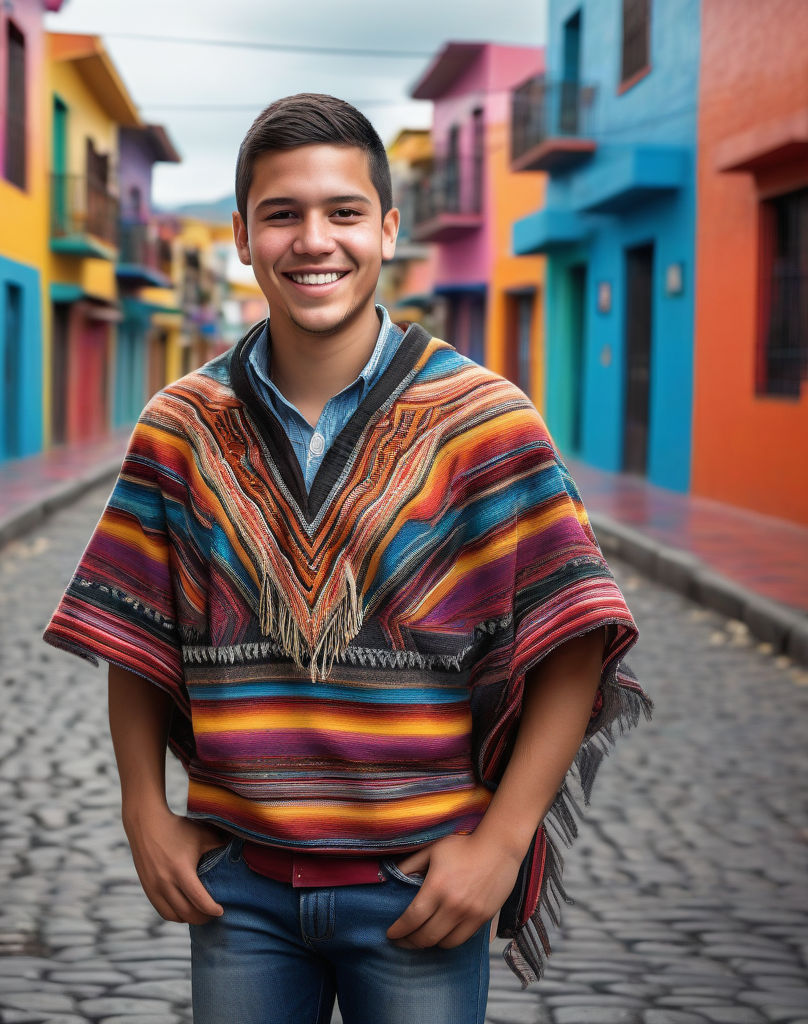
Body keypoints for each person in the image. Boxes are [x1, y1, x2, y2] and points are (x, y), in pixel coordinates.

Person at [43, 93, 650, 1024]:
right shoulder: (181, 426)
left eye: (343, 212)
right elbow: (139, 627)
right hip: (238, 888)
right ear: (242, 236)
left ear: (388, 230)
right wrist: (142, 808)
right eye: (282, 214)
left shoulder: (483, 421)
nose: (313, 240)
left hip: (416, 889)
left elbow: (571, 636)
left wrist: (501, 842)